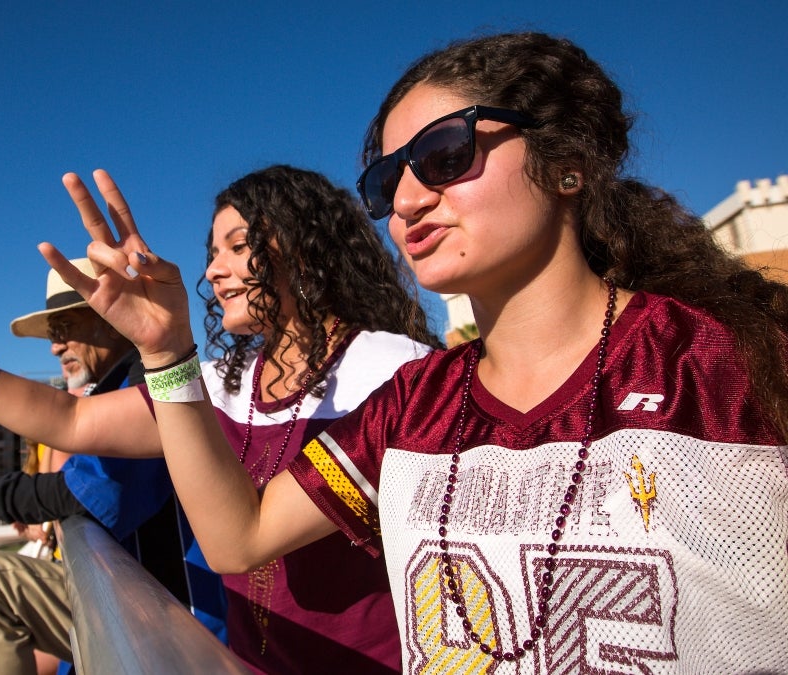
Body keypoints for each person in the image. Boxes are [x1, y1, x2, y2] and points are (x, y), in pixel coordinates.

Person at [47, 32, 788, 673]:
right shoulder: (413, 406)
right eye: (385, 180)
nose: (404, 201)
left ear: (568, 161)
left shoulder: (734, 363)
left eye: (443, 153)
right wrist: (168, 348)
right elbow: (239, 538)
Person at [0, 165, 440, 673]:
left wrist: (166, 354)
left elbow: (240, 548)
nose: (213, 272)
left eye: (239, 247)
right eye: (212, 253)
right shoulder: (222, 382)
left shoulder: (395, 372)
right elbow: (69, 421)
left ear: (308, 246)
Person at [0, 258, 212, 675]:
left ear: (109, 318)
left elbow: (92, 492)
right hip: (130, 613)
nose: (54, 347)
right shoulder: (106, 390)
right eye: (51, 334)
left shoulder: (152, 382)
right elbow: (67, 434)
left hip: (174, 632)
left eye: (63, 329)